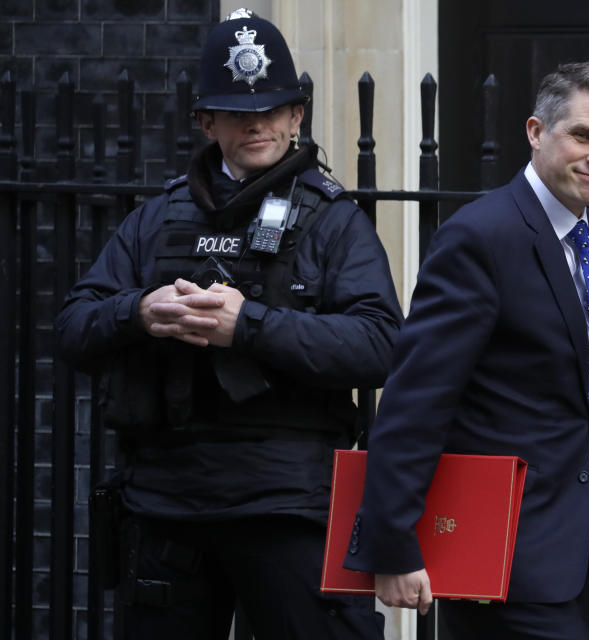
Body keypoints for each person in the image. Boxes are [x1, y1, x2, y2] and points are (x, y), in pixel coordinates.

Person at [54, 8, 401, 640]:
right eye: (238, 112)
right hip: (166, 505)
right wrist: (139, 312)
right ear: (207, 123)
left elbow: (380, 345)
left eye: (272, 108)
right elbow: (74, 327)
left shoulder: (333, 221)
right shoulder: (155, 220)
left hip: (286, 505)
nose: (257, 123)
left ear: (297, 116)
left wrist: (249, 326)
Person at [344, 61, 589, 639]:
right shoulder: (482, 235)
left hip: (564, 542)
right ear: (535, 132)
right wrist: (393, 544)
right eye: (582, 135)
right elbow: (416, 398)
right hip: (494, 548)